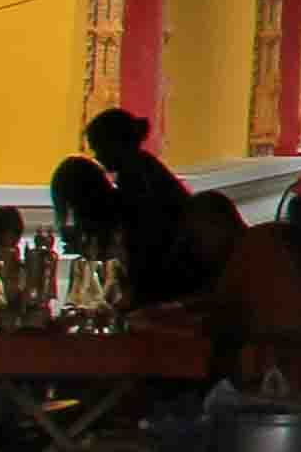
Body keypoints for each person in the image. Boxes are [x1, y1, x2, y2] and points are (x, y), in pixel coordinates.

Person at [84, 110, 210, 306]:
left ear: (115, 144)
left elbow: (144, 234)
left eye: (98, 149)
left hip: (172, 270)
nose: (97, 157)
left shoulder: (136, 176)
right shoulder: (142, 167)